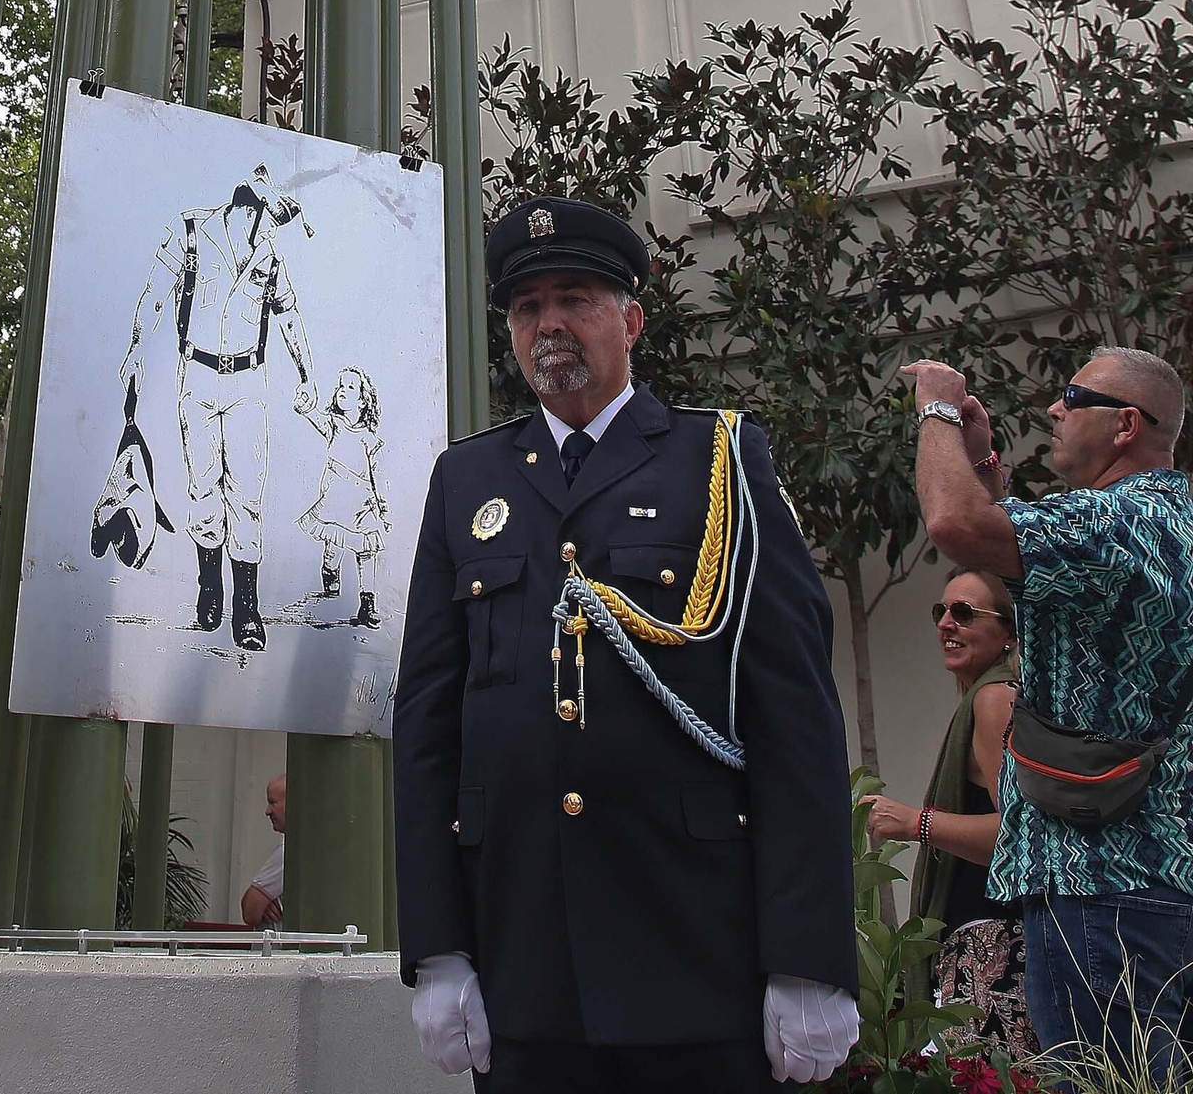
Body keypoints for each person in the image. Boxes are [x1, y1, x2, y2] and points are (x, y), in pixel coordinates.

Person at [394, 193, 860, 1091]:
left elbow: (795, 713)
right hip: (523, 958)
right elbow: (427, 726)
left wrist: (808, 958)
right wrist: (440, 946)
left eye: (576, 297)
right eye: (528, 306)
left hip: (694, 953)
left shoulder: (718, 460)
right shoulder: (467, 479)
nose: (550, 323)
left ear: (631, 317)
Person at [905, 343, 1193, 1086]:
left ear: (1126, 423)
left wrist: (937, 405)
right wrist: (984, 474)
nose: (1055, 408)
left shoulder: (1112, 522)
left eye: (1074, 396)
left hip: (1100, 887)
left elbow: (953, 525)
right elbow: (1036, 560)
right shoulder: (1167, 521)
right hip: (1161, 885)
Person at [94, 176, 317, 652]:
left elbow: (289, 315)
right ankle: (209, 586)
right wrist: (136, 348)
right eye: (273, 218)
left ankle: (247, 607)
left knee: (247, 493)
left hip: (247, 381)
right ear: (250, 208)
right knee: (203, 487)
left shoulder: (270, 257)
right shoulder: (192, 232)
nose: (274, 230)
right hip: (196, 376)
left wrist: (306, 374)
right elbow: (157, 291)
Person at [861, 570, 1034, 1056]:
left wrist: (917, 823)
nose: (946, 624)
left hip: (994, 954)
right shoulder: (987, 696)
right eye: (941, 612)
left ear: (1008, 635)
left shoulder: (993, 698)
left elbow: (1018, 837)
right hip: (987, 948)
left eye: (964, 613)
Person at [297, 366, 389, 628]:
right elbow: (314, 416)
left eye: (350, 387)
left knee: (366, 549)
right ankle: (329, 569)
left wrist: (382, 507)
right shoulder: (333, 425)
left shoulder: (370, 440)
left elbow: (377, 476)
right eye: (341, 385)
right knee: (334, 541)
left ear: (362, 400)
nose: (342, 391)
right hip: (335, 497)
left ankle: (367, 601)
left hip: (362, 503)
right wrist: (303, 407)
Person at [240, 772, 287, 928]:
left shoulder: (289, 852)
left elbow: (249, 912)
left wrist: (261, 903)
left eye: (273, 802)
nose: (267, 811)